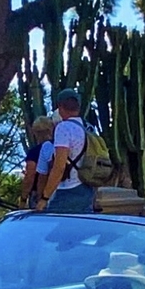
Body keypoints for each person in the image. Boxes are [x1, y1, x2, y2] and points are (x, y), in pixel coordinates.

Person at [32, 87, 96, 215]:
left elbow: (59, 167)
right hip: (86, 188)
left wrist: (44, 198)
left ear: (60, 107)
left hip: (69, 189)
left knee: (51, 233)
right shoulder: (85, 129)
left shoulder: (64, 128)